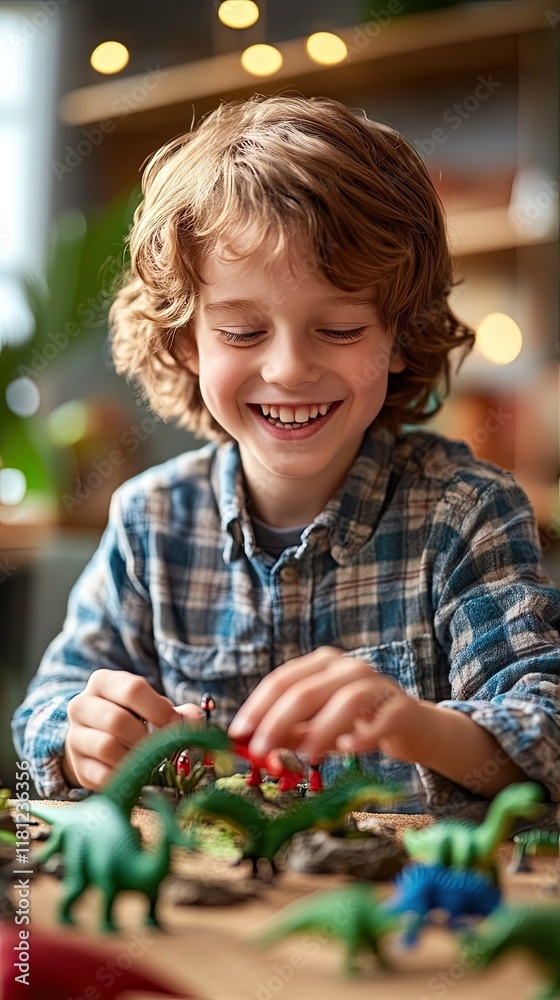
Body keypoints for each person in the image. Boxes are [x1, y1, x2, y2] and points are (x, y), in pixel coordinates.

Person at [12, 94, 560, 814]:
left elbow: (546, 737)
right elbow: (43, 716)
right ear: (186, 341)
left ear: (398, 334)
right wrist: (79, 737)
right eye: (242, 333)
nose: (290, 369)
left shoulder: (467, 514)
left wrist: (418, 727)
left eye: (338, 328)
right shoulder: (150, 524)